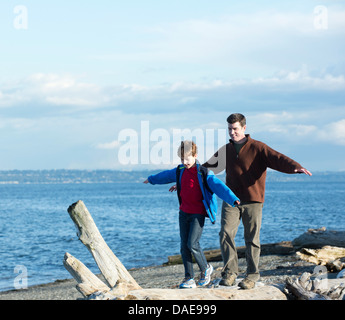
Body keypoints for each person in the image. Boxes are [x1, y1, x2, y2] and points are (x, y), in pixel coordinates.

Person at [203, 113, 312, 289]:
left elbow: (277, 158)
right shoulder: (226, 150)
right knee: (225, 233)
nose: (232, 133)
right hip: (231, 199)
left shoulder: (258, 147)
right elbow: (206, 168)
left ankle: (252, 276)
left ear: (244, 128)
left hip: (253, 200)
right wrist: (187, 178)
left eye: (235, 129)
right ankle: (230, 272)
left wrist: (295, 167)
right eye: (230, 129)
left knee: (252, 238)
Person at [144, 140, 240, 288]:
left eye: (187, 159)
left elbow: (219, 186)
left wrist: (233, 199)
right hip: (183, 212)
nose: (185, 162)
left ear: (195, 155)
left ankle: (205, 269)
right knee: (184, 246)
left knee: (192, 243)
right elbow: (165, 176)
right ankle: (189, 278)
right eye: (182, 159)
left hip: (198, 213)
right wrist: (151, 179)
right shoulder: (180, 170)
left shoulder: (203, 172)